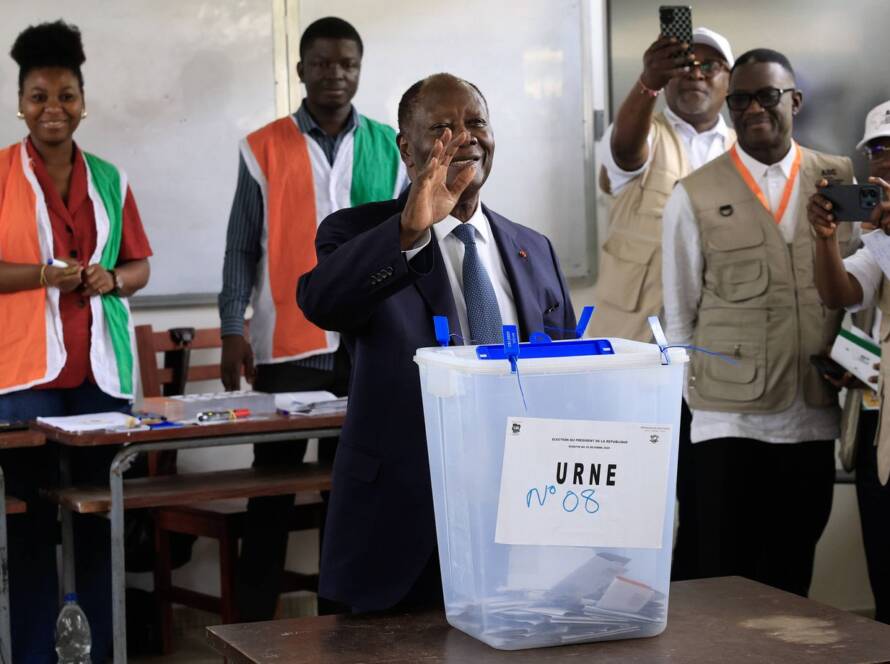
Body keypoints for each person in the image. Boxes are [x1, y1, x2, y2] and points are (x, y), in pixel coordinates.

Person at [297, 73, 577, 612]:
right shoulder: (358, 234)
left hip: (517, 520)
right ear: (407, 149)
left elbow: (566, 378)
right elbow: (322, 303)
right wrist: (408, 231)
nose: (465, 137)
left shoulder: (534, 248)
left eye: (476, 122)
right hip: (399, 527)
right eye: (443, 127)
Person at [218, 16, 407, 621]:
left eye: (347, 63)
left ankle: (343, 624)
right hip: (288, 348)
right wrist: (232, 329)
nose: (336, 74)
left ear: (360, 69)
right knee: (270, 492)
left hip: (369, 342)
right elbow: (241, 247)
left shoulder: (391, 145)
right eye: (322, 63)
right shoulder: (262, 146)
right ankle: (252, 627)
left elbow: (411, 242)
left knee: (353, 493)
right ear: (301, 70)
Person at [662, 48, 858, 597]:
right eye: (740, 99)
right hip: (727, 421)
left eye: (767, 96)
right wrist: (697, 402)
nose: (753, 109)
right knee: (725, 575)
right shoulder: (694, 193)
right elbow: (679, 313)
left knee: (792, 573)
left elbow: (860, 287)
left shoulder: (837, 178)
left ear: (795, 100)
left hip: (812, 413)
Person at [0, 20, 152, 663]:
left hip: (100, 375)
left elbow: (140, 267)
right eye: (38, 96)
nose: (52, 108)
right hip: (24, 379)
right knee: (30, 526)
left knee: (99, 521)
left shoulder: (110, 179)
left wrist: (112, 278)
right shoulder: (1, 174)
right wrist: (41, 275)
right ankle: (34, 655)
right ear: (20, 103)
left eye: (65, 95)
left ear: (83, 102)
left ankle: (102, 652)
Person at [594, 27, 734, 582]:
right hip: (637, 359)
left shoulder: (744, 147)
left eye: (709, 64)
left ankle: (693, 615)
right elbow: (623, 153)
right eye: (684, 62)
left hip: (712, 365)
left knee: (705, 506)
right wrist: (647, 84)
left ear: (729, 81)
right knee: (627, 506)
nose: (695, 72)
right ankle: (616, 616)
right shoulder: (641, 132)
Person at [808, 100, 890, 622]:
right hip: (877, 425)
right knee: (884, 572)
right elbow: (839, 292)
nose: (885, 159)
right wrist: (824, 241)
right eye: (877, 149)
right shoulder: (876, 236)